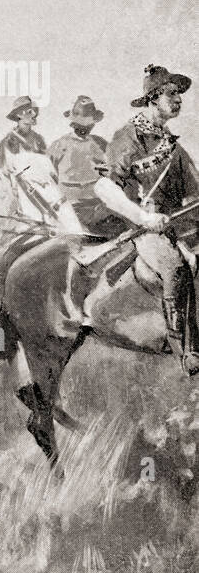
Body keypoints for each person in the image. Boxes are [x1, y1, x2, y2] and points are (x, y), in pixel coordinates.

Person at [92, 65, 199, 374]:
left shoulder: (172, 145)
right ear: (153, 98)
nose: (178, 100)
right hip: (142, 225)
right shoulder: (127, 137)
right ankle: (189, 351)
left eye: (179, 94)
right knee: (175, 267)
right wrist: (143, 217)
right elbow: (105, 186)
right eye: (172, 94)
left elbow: (193, 190)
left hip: (176, 222)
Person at [47, 95, 108, 231]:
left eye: (89, 122)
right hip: (71, 208)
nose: (86, 127)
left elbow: (112, 168)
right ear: (73, 123)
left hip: (99, 203)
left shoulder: (99, 143)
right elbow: (46, 176)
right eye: (81, 122)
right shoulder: (59, 145)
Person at [0, 95, 47, 167]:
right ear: (19, 114)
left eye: (35, 111)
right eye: (30, 112)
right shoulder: (7, 142)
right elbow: (4, 171)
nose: (34, 114)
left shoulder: (39, 139)